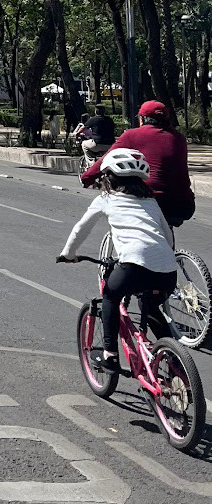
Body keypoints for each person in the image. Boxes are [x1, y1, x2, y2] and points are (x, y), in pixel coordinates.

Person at [58, 147, 177, 372]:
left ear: (108, 178)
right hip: (168, 271)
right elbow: (168, 236)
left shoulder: (107, 199)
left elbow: (81, 228)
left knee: (111, 297)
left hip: (134, 265)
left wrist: (68, 254)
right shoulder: (151, 202)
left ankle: (110, 354)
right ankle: (175, 360)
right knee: (150, 306)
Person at [81, 99, 195, 228]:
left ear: (142, 119)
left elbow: (105, 160)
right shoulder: (179, 138)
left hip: (150, 199)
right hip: (183, 204)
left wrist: (87, 177)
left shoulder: (132, 135)